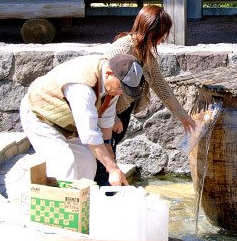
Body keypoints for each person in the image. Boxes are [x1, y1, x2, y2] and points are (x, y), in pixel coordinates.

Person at [95, 5, 196, 185]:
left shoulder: (145, 52)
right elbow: (103, 84)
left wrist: (183, 117)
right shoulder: (121, 49)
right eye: (163, 32)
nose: (164, 37)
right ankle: (102, 193)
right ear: (153, 30)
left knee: (110, 151)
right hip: (104, 111)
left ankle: (108, 191)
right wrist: (112, 118)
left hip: (121, 109)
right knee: (103, 157)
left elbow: (161, 87)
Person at [20, 53, 144, 186]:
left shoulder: (113, 83)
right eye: (121, 87)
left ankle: (81, 204)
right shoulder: (82, 86)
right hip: (41, 116)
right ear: (109, 74)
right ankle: (61, 203)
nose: (121, 93)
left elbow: (106, 119)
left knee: (87, 162)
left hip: (69, 123)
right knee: (64, 163)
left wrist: (110, 156)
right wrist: (113, 169)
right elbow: (89, 134)